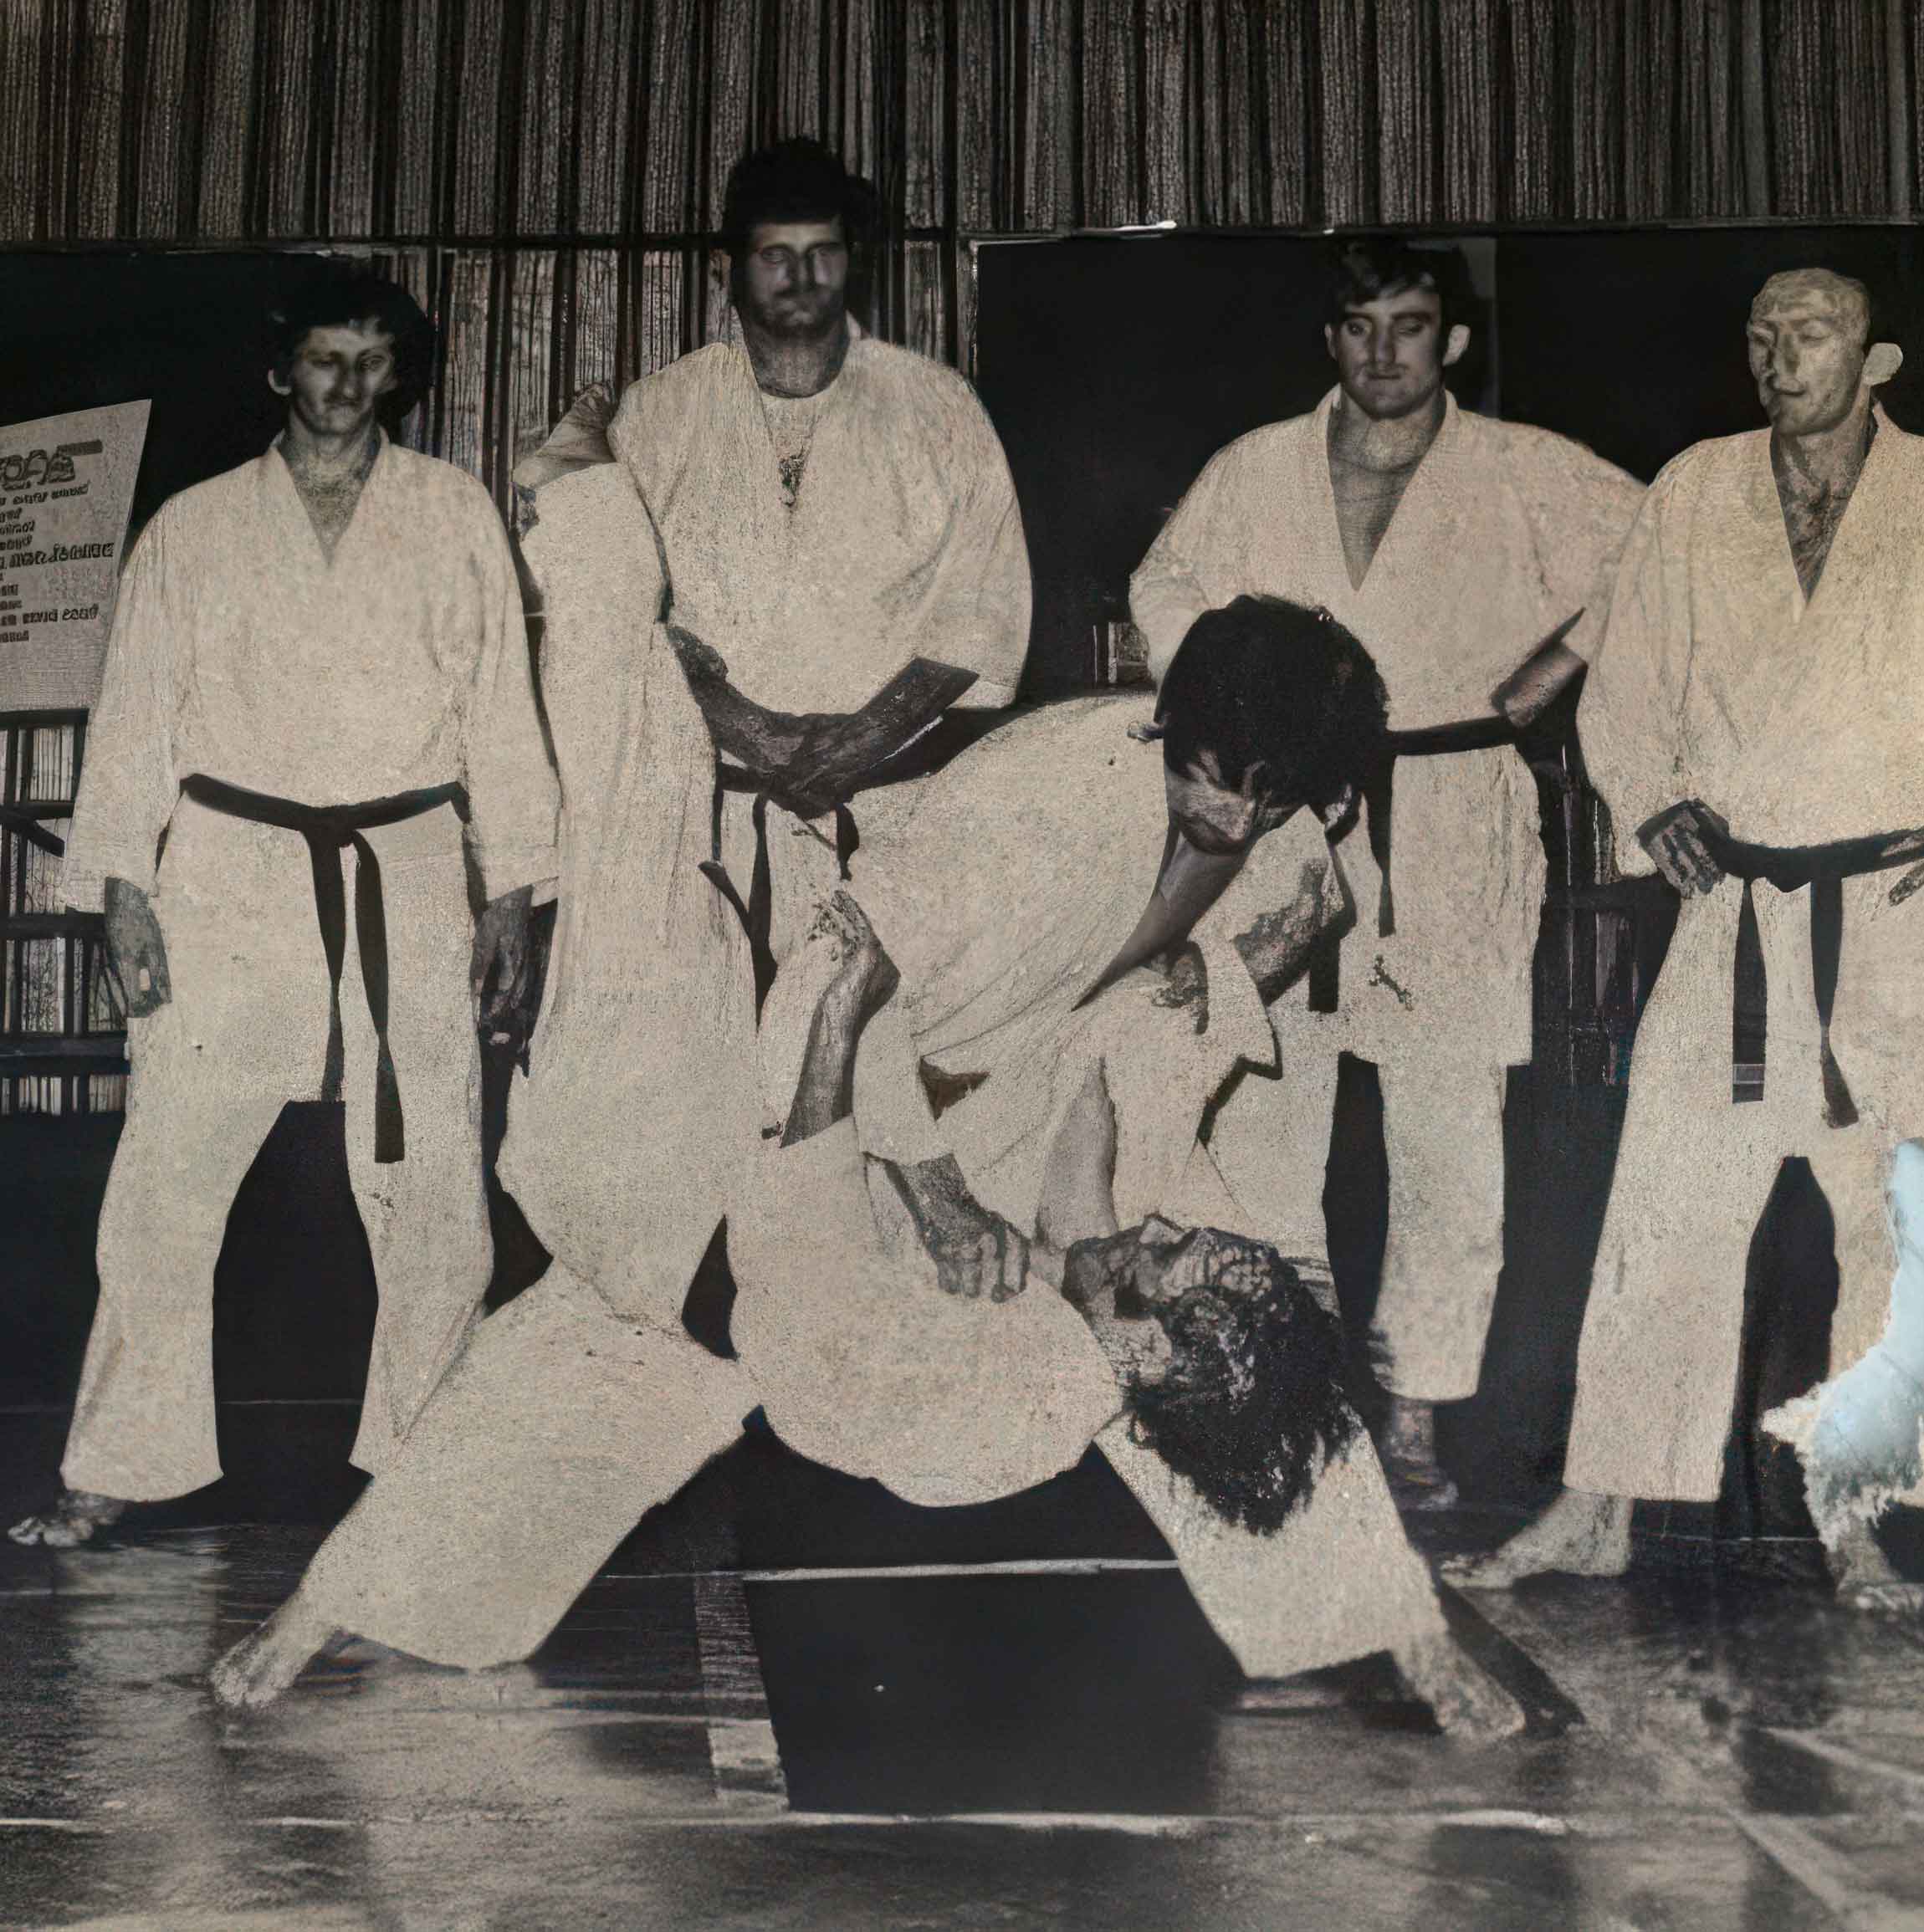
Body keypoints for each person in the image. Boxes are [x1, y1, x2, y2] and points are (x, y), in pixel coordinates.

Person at [210, 602, 1523, 1740]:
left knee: (1240, 1340)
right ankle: (329, 1605)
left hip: (1062, 1104)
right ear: (1170, 722)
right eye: (1211, 774)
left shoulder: (1289, 815)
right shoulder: (1038, 794)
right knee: (611, 1339)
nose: (1231, 810)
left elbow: (1306, 911)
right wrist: (926, 1179)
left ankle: (1401, 1631)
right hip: (872, 1085)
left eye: (1267, 789)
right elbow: (833, 979)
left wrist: (1215, 979)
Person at [1446, 268, 1924, 1610]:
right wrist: (1652, 805)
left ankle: (1857, 1513)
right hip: (1738, 917)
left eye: (1808, 334)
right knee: (1662, 1209)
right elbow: (1628, 679)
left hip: (1897, 915)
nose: (1778, 356)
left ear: (1874, 358)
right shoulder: (1695, 491)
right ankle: (1598, 1506)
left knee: (1902, 1224)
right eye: (1759, 335)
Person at [8, 267, 557, 1549]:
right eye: (324, 359)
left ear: (398, 380)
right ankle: (121, 1462)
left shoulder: (453, 513)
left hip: (407, 864)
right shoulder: (192, 530)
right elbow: (134, 716)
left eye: (372, 363)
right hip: (231, 874)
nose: (347, 386)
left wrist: (513, 891)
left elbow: (503, 718)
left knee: (430, 1191)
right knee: (164, 1181)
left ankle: (420, 1457)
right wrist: (121, 893)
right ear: (280, 371)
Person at [1130, 237, 1643, 1500]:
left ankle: (1415, 1416)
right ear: (1330, 341)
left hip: (1454, 809)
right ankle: (1264, 1397)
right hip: (1292, 807)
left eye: (1410, 327)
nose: (1383, 354)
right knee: (1264, 1109)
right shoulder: (1257, 468)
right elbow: (1164, 585)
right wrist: (1240, 716)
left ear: (1451, 341)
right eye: (1360, 329)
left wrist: (1559, 662)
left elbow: (1666, 548)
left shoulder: (1525, 469)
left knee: (1447, 1127)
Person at [497, 135, 1031, 1325]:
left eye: (824, 254)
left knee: (875, 1069)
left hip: (885, 802)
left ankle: (857, 1332)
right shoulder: (666, 411)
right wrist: (745, 723)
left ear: (858, 266)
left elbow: (978, 621)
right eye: (774, 256)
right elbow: (623, 610)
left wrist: (847, 742)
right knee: (693, 1076)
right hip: (706, 802)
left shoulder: (935, 408)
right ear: (733, 270)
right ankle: (687, 1336)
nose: (800, 278)